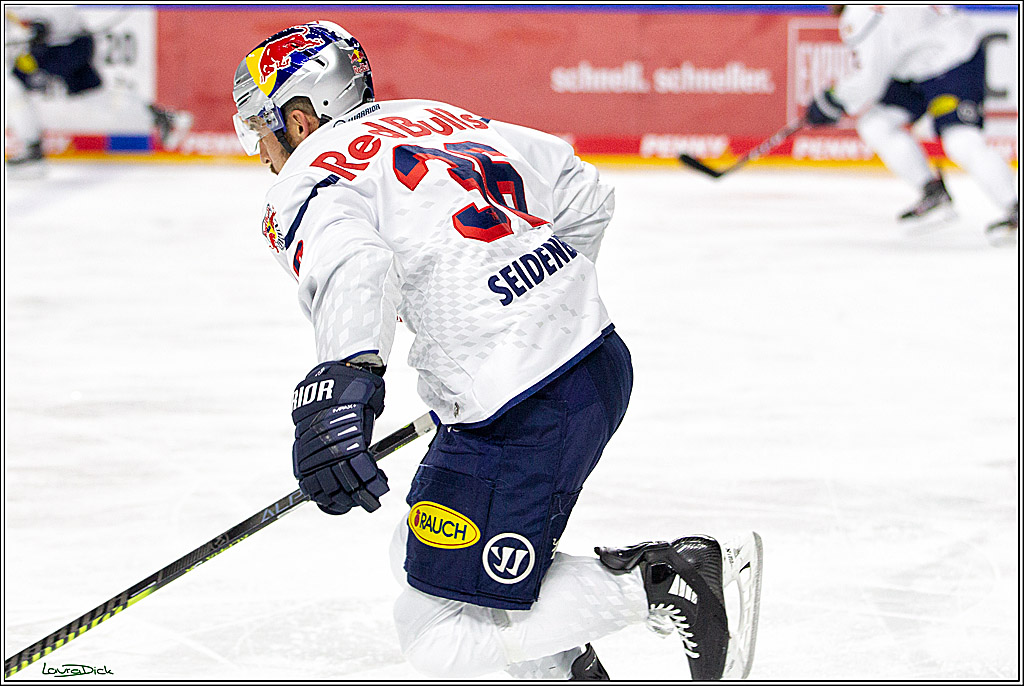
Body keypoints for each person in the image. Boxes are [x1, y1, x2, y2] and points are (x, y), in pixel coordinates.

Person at [233, 20, 762, 680]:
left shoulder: (306, 176)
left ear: (303, 114)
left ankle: (667, 579)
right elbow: (581, 189)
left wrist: (342, 382)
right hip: (592, 363)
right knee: (444, 571)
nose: (258, 143)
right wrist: (536, 304)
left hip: (519, 406)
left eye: (261, 122)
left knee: (439, 634)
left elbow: (356, 266)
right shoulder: (435, 116)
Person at [805, 5, 1018, 243]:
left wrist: (833, 101)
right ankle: (933, 193)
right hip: (913, 66)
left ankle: (1015, 205)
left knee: (960, 140)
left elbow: (869, 81)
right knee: (876, 124)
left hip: (952, 61)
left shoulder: (860, 13)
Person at [4, 5, 193, 170]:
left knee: (13, 88)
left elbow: (55, 15)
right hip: (62, 46)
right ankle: (159, 116)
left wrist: (41, 25)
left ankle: (32, 150)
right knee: (92, 97)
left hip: (64, 47)